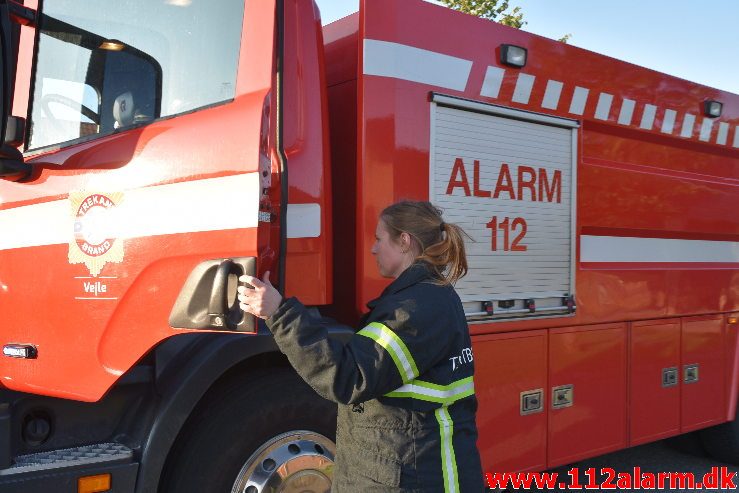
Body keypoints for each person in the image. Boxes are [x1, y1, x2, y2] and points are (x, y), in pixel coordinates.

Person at [238, 200, 484, 492]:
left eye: (380, 239)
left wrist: (280, 314)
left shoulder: (415, 310)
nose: (374, 248)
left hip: (413, 477)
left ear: (404, 241)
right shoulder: (426, 297)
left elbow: (350, 377)